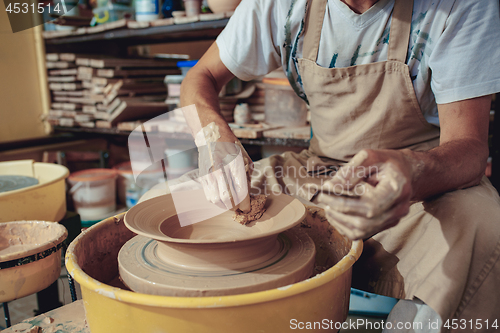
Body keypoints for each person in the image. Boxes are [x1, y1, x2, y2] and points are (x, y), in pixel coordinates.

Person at [180, 0, 500, 331]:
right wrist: (213, 136)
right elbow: (200, 77)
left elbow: (472, 149)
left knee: (484, 229)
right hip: (317, 172)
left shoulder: (460, 5)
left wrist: (413, 172)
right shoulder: (282, 5)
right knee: (182, 203)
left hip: (416, 185)